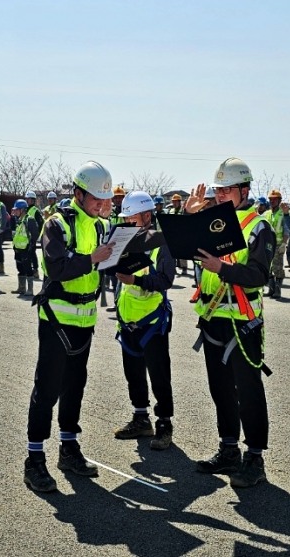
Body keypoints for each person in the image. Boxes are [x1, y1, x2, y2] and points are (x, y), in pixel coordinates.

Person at [24, 162, 114, 493]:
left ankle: (69, 448)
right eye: (96, 200)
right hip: (57, 321)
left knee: (75, 387)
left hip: (85, 320)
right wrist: (93, 258)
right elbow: (57, 267)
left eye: (105, 201)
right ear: (78, 193)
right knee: (47, 389)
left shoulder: (104, 225)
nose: (103, 206)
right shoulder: (56, 224)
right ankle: (34, 460)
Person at [185, 157, 273, 488]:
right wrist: (190, 216)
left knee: (248, 389)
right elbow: (182, 245)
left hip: (242, 320)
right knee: (219, 388)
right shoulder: (212, 220)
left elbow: (258, 275)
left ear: (244, 189)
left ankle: (254, 457)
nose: (220, 196)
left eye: (226, 190)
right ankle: (228, 449)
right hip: (212, 316)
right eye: (218, 190)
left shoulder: (258, 226)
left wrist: (221, 269)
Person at [112, 190, 176, 451]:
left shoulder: (162, 242)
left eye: (132, 217)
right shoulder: (124, 240)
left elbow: (165, 280)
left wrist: (136, 280)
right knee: (133, 375)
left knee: (159, 375)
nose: (127, 222)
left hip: (152, 323)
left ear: (147, 215)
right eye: (125, 218)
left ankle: (164, 424)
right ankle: (141, 418)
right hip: (127, 322)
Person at [264, 189, 289, 298]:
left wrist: (284, 244)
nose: (272, 201)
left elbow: (286, 230)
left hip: (278, 244)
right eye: (270, 199)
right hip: (267, 245)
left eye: (275, 199)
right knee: (268, 267)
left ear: (279, 200)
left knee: (277, 268)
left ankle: (278, 290)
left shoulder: (283, 214)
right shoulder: (266, 214)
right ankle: (271, 289)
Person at [11, 199, 39, 297]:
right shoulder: (18, 220)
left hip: (26, 249)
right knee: (20, 268)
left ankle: (30, 290)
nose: (15, 211)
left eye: (17, 210)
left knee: (28, 269)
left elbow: (35, 234)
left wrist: (31, 246)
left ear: (22, 210)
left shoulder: (29, 219)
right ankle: (21, 288)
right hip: (18, 249)